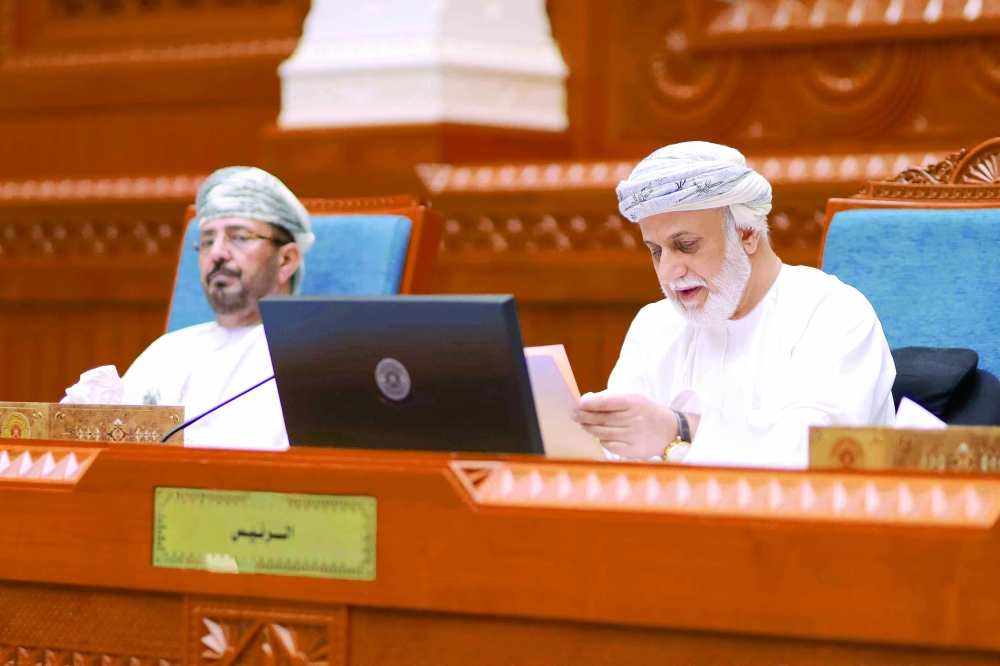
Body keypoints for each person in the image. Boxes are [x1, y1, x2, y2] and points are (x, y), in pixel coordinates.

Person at [572, 142, 895, 469]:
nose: (668, 272)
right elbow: (615, 460)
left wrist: (679, 430)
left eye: (685, 245)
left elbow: (821, 453)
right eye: (656, 251)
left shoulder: (833, 312)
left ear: (747, 233)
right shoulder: (654, 325)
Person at [119, 166, 314, 450]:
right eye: (208, 240)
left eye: (240, 237)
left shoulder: (307, 356)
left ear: (286, 260)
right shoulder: (166, 350)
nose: (218, 253)